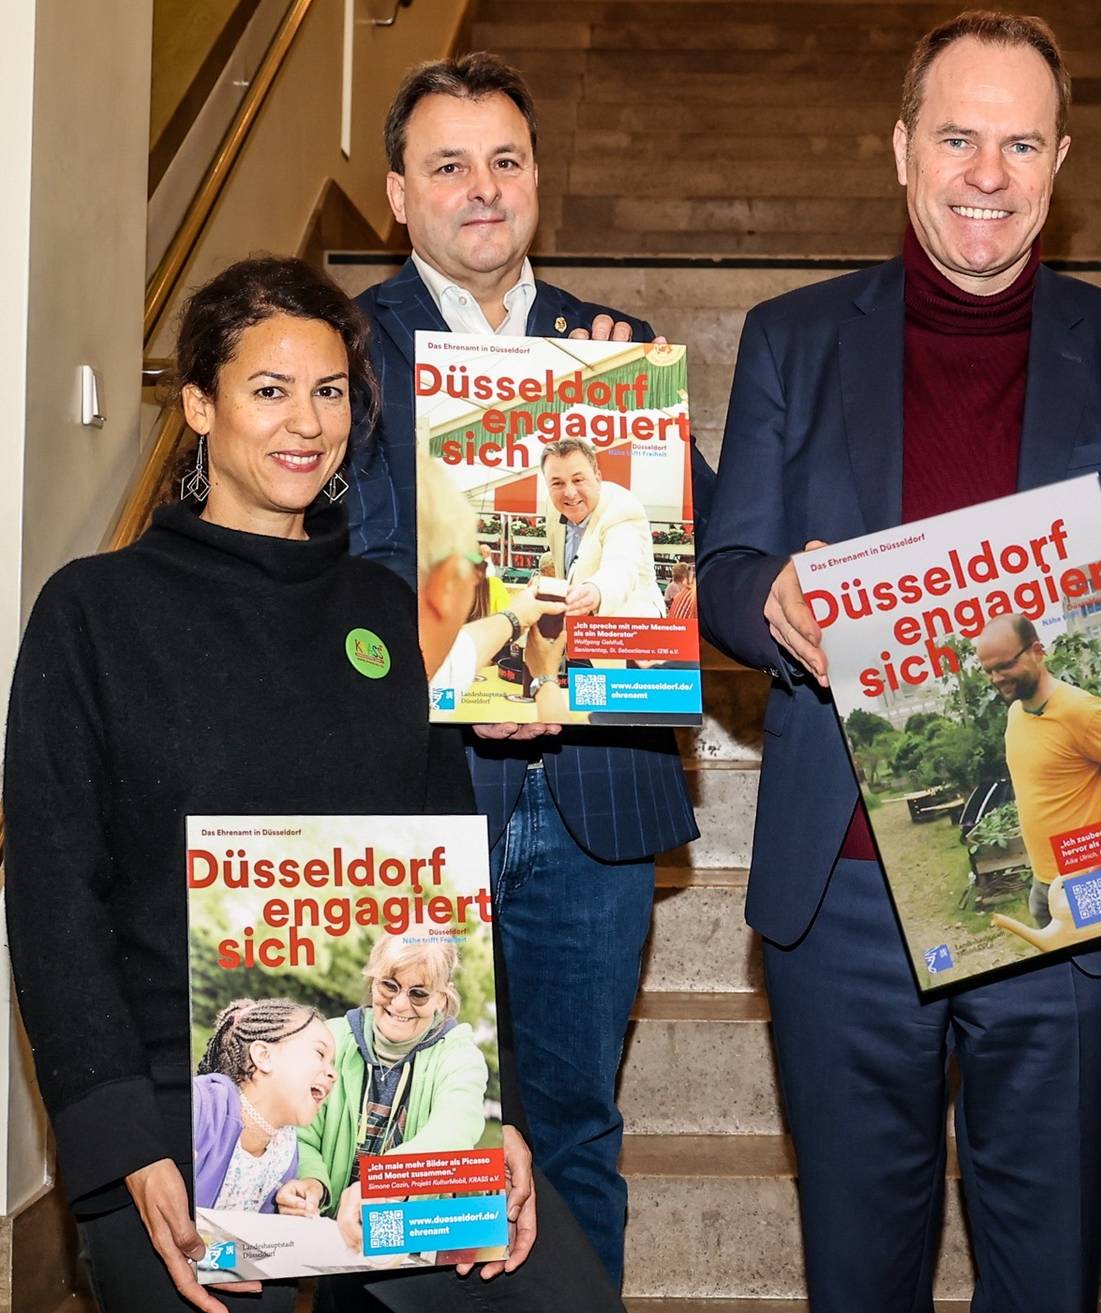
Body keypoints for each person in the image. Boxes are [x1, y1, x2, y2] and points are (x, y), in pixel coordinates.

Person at [695, 13, 1101, 1309]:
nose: (985, 173)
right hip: (849, 894)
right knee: (859, 1274)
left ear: (1058, 164)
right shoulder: (790, 338)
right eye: (956, 136)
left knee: (1045, 1274)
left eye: (1019, 142)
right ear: (901, 149)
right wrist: (762, 595)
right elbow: (721, 568)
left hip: (1060, 885)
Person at [2, 256, 619, 1312]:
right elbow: (54, 901)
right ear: (198, 403)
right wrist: (122, 1146)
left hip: (389, 1103)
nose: (307, 421)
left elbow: (443, 890)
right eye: (269, 389)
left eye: (329, 390)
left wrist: (487, 1114)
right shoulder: (94, 611)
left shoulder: (385, 611)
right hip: (179, 1118)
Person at [343, 52, 708, 1282]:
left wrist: (654, 446)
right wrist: (461, 666)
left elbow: (677, 564)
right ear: (398, 193)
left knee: (575, 1132)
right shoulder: (338, 352)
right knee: (408, 1137)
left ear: (538, 177)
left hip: (593, 802)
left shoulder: (612, 351)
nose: (482, 189)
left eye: (506, 161)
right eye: (449, 166)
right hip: (419, 790)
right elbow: (335, 574)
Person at [287, 936, 494, 1252]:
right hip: (326, 1236)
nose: (399, 1004)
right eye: (389, 986)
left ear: (442, 998)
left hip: (413, 1237)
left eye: (419, 993)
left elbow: (454, 1130)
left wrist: (380, 1182)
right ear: (372, 984)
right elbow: (301, 1134)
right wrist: (312, 1185)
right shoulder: (329, 1039)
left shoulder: (460, 1056)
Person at [970, 613, 1101, 929]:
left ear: (1037, 650)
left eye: (1005, 666)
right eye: (988, 671)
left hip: (1092, 880)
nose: (996, 678)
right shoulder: (1016, 714)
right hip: (1045, 882)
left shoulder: (1082, 711)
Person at [192, 1001, 338, 1217]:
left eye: (333, 1063)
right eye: (319, 1053)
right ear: (264, 1056)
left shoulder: (285, 1150)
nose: (333, 1074)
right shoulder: (202, 1104)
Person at [540, 438, 666, 621]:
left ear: (597, 478)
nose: (569, 493)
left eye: (578, 479)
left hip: (633, 628)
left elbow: (622, 565)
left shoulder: (622, 507)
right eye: (557, 483)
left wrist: (596, 590)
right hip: (582, 628)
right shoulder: (553, 507)